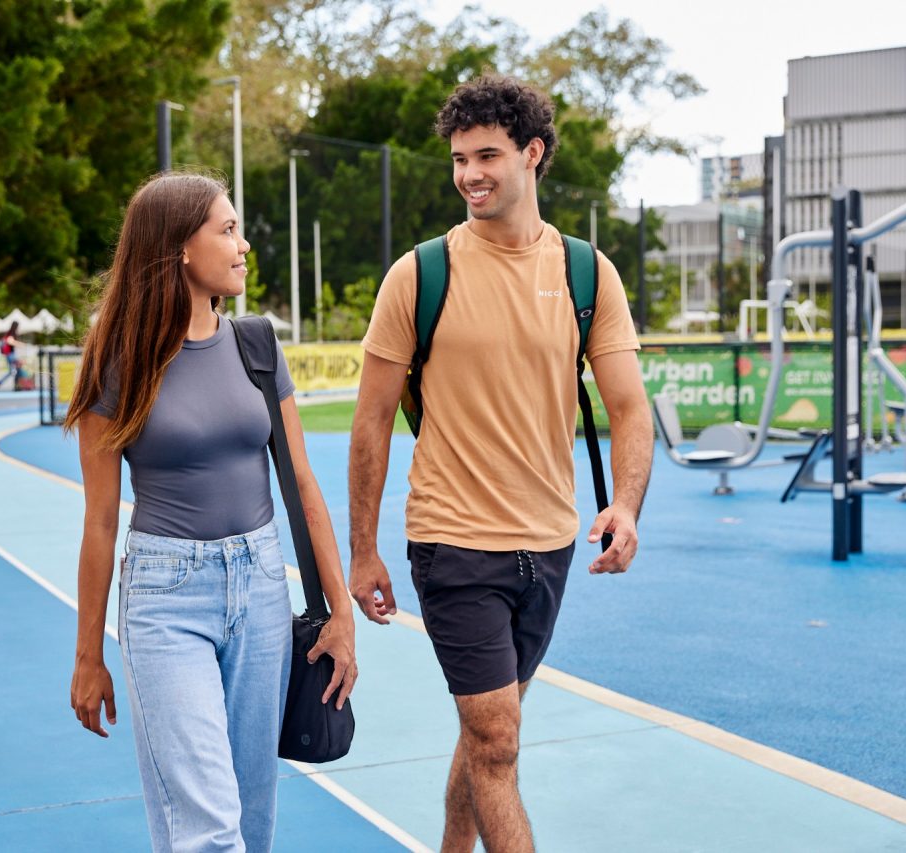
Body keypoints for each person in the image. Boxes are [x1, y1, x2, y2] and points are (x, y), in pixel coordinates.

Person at [348, 75, 652, 852]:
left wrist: (625, 504)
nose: (469, 174)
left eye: (487, 154)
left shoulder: (588, 273)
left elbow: (628, 407)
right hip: (452, 539)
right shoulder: (420, 274)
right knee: (496, 739)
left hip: (547, 544)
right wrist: (361, 549)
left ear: (533, 154)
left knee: (489, 730)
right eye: (458, 158)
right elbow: (372, 422)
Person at [65, 171, 357, 853]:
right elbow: (100, 520)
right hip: (165, 599)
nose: (244, 244)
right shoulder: (115, 356)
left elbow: (304, 485)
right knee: (209, 828)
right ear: (178, 250)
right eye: (227, 229)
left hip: (260, 586)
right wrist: (87, 654)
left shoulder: (256, 345)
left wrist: (339, 610)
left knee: (252, 819)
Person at [0, 321, 21, 390]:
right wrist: (20, 344)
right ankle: (16, 385)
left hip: (9, 354)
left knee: (13, 371)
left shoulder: (8, 333)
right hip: (11, 355)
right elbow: (10, 341)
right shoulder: (12, 333)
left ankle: (0, 382)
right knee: (16, 369)